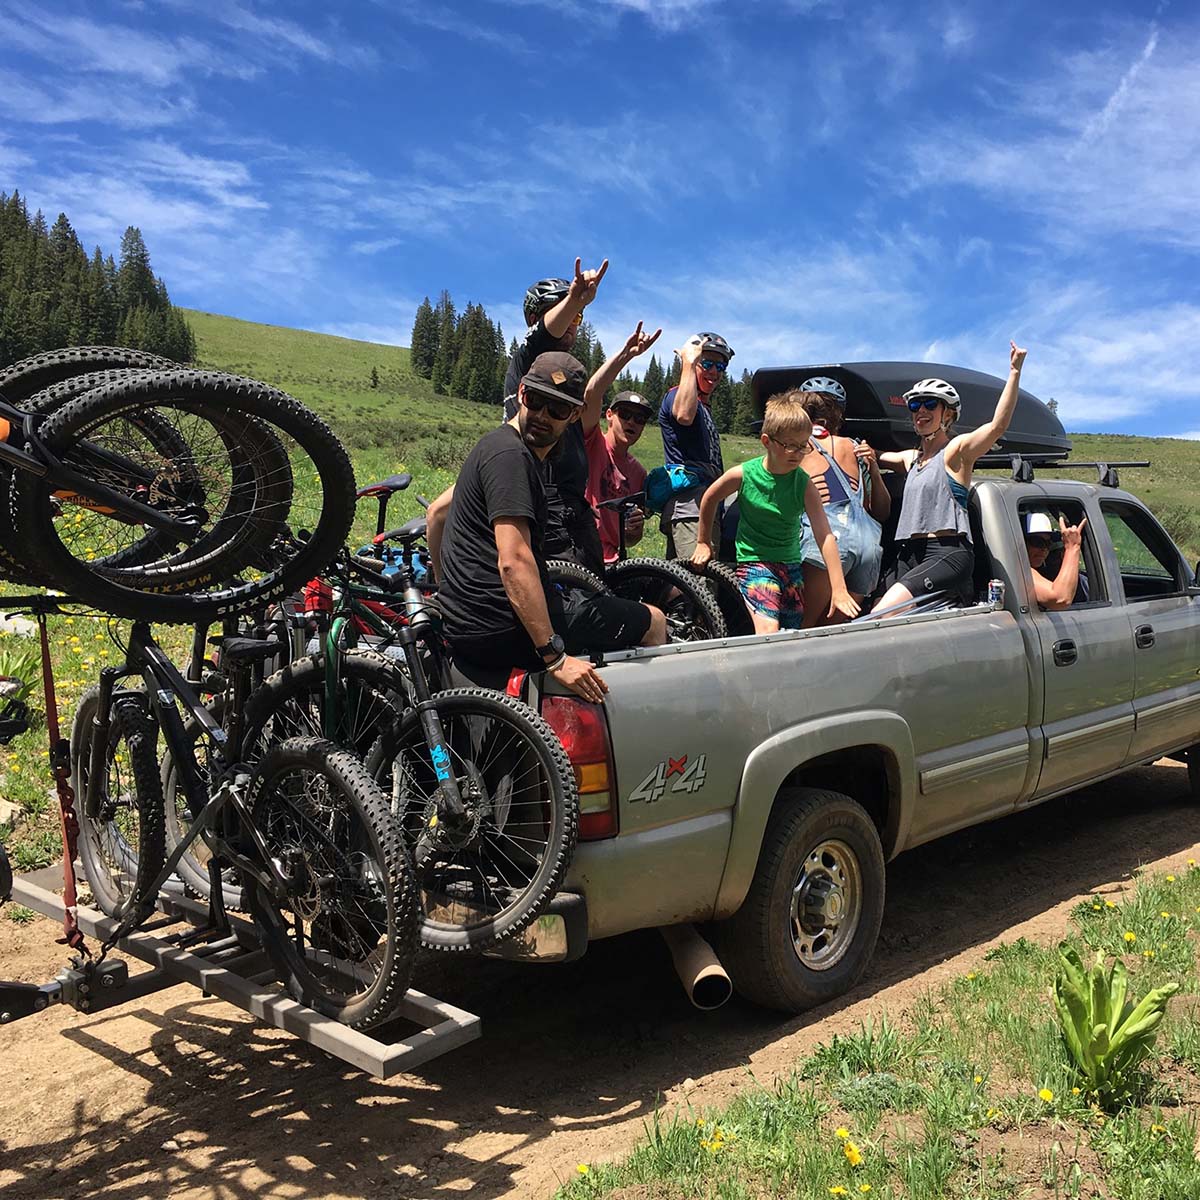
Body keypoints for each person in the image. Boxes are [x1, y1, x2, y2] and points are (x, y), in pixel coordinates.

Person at [436, 352, 665, 701]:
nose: (543, 416)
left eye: (557, 410)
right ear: (521, 393)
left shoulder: (496, 446)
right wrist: (554, 656)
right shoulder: (513, 458)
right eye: (536, 401)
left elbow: (435, 514)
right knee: (655, 620)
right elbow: (513, 560)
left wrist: (447, 591)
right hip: (501, 626)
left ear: (573, 415)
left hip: (465, 624)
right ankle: (648, 721)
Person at [428, 259, 659, 576]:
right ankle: (442, 593)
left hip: (565, 501)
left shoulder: (564, 377)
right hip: (522, 480)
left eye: (579, 318)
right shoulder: (527, 356)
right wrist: (576, 298)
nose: (574, 324)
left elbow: (591, 394)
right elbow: (544, 334)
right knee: (438, 512)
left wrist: (625, 355)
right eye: (567, 313)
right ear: (536, 318)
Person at [874, 342, 1028, 611]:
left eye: (930, 404)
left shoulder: (955, 452)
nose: (921, 410)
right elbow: (873, 455)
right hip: (909, 554)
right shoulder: (911, 459)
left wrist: (1014, 371)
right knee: (872, 608)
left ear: (947, 414)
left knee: (883, 613)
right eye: (915, 405)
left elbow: (997, 426)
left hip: (946, 552)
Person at [690, 392, 860, 633]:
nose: (798, 453)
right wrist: (703, 542)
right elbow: (709, 498)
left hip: (791, 566)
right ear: (767, 441)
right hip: (754, 562)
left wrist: (839, 588)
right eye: (790, 446)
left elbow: (825, 535)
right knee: (769, 631)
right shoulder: (744, 474)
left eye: (803, 446)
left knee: (791, 632)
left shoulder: (803, 484)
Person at [794, 377, 891, 626]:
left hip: (825, 542)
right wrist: (875, 470)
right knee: (834, 632)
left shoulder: (799, 445)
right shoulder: (858, 448)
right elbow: (881, 511)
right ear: (839, 414)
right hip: (868, 546)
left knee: (804, 627)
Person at [659, 332, 734, 559]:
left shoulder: (704, 407)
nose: (714, 372)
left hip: (703, 508)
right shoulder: (677, 396)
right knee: (701, 587)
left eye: (720, 367)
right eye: (707, 363)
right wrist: (689, 364)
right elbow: (683, 415)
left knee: (679, 588)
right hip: (690, 507)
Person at [585, 389, 652, 563]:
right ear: (609, 415)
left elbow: (630, 540)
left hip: (614, 559)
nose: (631, 422)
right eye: (624, 414)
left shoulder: (639, 473)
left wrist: (634, 531)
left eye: (639, 419)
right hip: (581, 550)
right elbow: (591, 395)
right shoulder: (593, 443)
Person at [1024, 510, 1088, 610]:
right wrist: (1072, 547)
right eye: (1037, 542)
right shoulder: (1020, 571)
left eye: (1048, 543)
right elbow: (1060, 599)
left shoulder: (1045, 573)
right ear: (1022, 542)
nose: (1044, 549)